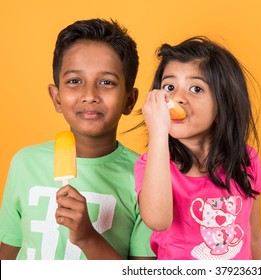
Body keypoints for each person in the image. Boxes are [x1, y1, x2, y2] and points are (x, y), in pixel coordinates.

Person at [0, 18, 154, 260]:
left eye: (107, 82)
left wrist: (87, 237)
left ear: (129, 100)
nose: (89, 95)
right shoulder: (24, 163)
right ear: (57, 97)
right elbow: (8, 251)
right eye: (74, 81)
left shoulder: (148, 179)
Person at [135, 36, 261, 260]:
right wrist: (158, 131)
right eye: (169, 87)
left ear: (223, 102)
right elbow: (157, 221)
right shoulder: (152, 164)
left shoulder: (247, 160)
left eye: (196, 88)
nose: (177, 98)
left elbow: (255, 235)